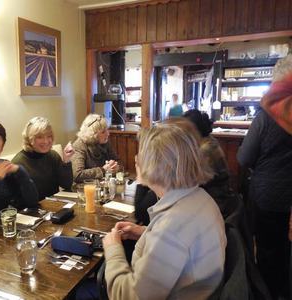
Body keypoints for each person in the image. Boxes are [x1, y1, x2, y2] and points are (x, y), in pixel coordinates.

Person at [103, 123, 226, 300]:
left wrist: (113, 249)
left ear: (157, 166)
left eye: (142, 154)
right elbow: (182, 247)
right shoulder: (200, 197)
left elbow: (128, 297)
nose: (137, 158)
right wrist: (144, 232)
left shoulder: (172, 228)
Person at [237, 104, 292, 297]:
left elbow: (244, 158)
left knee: (268, 249)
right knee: (285, 250)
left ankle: (267, 292)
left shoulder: (267, 118)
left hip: (269, 194)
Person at [11, 117, 74, 201]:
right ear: (30, 139)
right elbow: (15, 200)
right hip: (31, 211)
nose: (46, 141)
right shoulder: (18, 163)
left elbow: (66, 185)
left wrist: (66, 160)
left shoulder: (53, 156)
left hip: (54, 207)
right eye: (40, 137)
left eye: (49, 136)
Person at [71, 114, 119, 183]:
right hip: (84, 189)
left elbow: (117, 161)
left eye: (107, 130)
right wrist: (103, 170)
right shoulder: (79, 146)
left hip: (103, 186)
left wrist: (116, 166)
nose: (108, 134)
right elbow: (77, 175)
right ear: (93, 134)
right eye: (103, 132)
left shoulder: (105, 142)